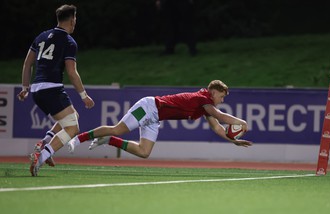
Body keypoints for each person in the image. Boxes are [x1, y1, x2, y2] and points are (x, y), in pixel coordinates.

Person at [68, 80, 252, 158]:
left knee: (144, 152)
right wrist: (241, 123)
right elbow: (220, 116)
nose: (222, 100)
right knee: (118, 128)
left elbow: (217, 127)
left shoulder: (206, 106)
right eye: (221, 96)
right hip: (148, 107)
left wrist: (232, 141)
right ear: (213, 92)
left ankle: (109, 140)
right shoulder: (204, 99)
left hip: (155, 118)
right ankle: (78, 139)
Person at [17, 4, 95, 176]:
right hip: (52, 88)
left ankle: (44, 143)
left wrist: (25, 87)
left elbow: (27, 63)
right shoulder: (68, 41)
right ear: (72, 20)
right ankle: (42, 156)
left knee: (72, 117)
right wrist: (84, 96)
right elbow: (72, 72)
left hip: (37, 90)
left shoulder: (41, 36)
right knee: (73, 129)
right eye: (75, 19)